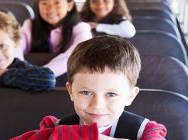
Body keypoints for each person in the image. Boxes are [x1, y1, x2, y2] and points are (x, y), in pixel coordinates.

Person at [12, 36, 167, 140]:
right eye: (86, 92)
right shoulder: (54, 129)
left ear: (130, 96)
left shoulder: (146, 132)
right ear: (71, 91)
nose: (97, 105)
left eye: (111, 94)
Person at [17, 0, 92, 77]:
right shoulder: (29, 25)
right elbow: (15, 48)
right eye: (44, 3)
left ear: (70, 5)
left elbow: (78, 54)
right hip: (27, 80)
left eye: (57, 3)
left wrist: (40, 75)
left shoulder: (81, 28)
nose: (50, 9)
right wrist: (21, 71)